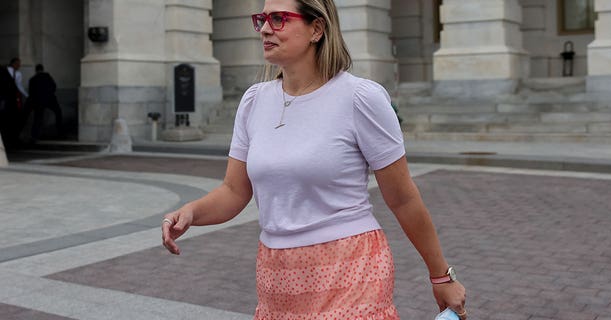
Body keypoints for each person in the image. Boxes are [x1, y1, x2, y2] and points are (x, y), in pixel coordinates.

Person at [162, 0, 467, 319]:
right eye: (263, 19)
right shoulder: (254, 102)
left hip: (351, 271)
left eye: (278, 18)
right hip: (276, 277)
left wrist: (441, 276)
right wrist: (190, 212)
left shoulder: (360, 98)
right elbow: (234, 191)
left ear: (317, 29)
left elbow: (403, 198)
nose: (265, 28)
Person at [27, 64, 63, 141]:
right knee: (58, 113)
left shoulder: (32, 79)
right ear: (42, 69)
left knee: (38, 118)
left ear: (36, 70)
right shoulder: (47, 77)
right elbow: (54, 86)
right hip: (50, 99)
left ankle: (34, 135)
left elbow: (31, 92)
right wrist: (49, 94)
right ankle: (60, 133)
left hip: (38, 101)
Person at [0, 58, 27, 149]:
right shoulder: (4, 71)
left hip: (10, 100)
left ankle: (10, 140)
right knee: (7, 120)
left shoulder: (16, 73)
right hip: (6, 99)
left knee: (10, 120)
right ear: (13, 63)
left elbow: (17, 86)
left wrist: (26, 96)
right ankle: (9, 140)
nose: (19, 66)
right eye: (18, 64)